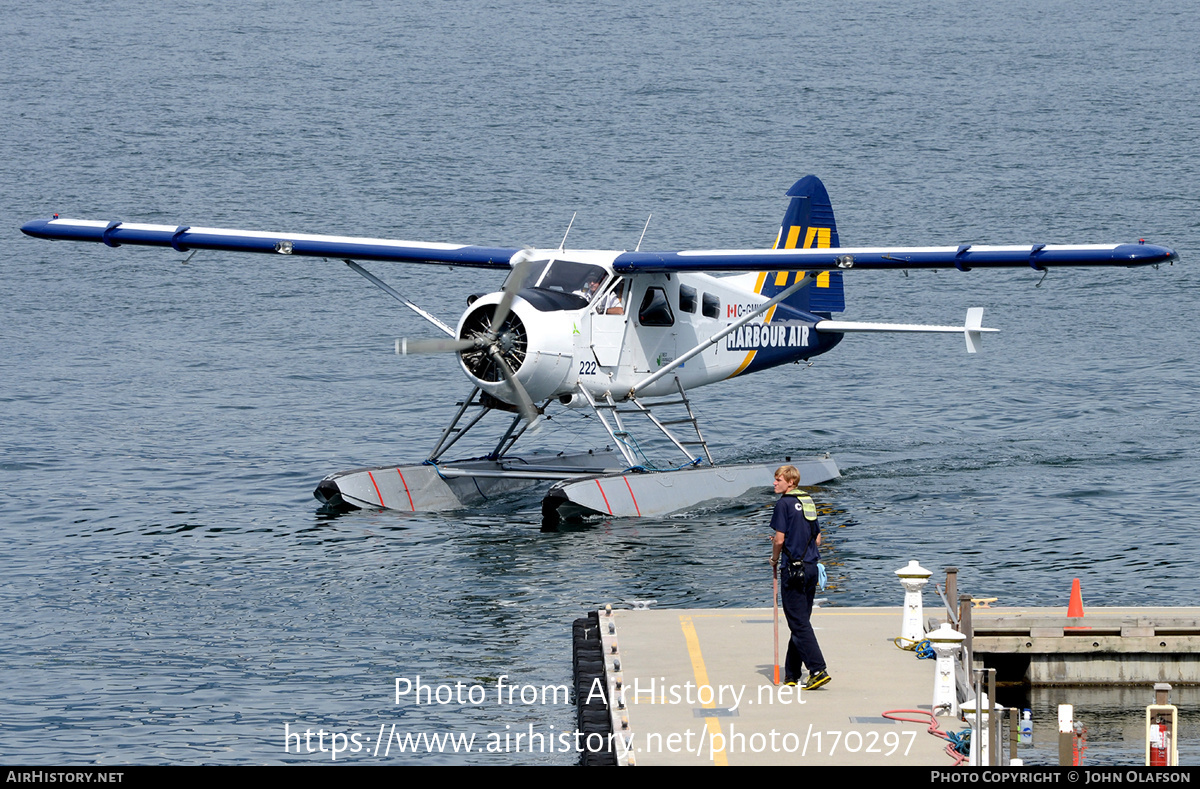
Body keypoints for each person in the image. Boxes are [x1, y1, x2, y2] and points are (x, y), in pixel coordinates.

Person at [769, 465, 831, 690]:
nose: (775, 483)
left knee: (798, 622)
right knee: (801, 621)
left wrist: (774, 559)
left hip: (793, 570)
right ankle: (792, 673)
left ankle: (817, 669)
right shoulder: (808, 501)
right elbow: (817, 539)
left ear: (790, 482)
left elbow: (779, 539)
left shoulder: (783, 504)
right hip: (811, 567)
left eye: (778, 480)